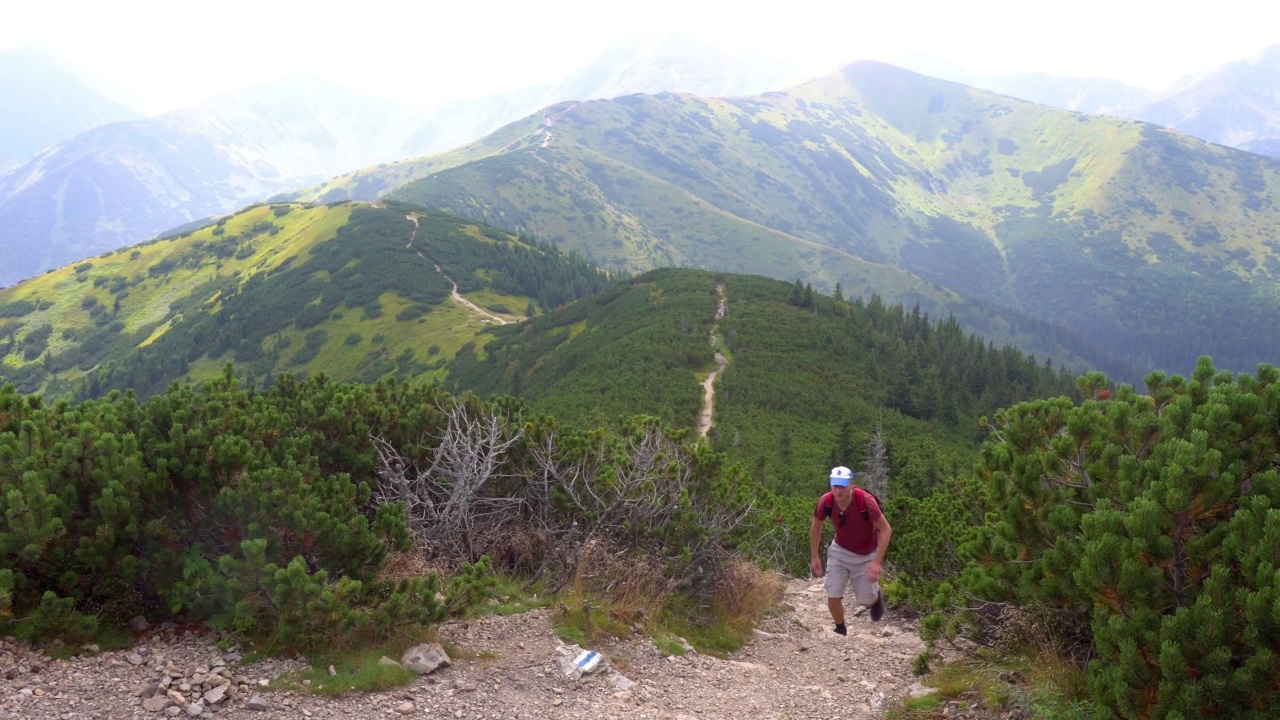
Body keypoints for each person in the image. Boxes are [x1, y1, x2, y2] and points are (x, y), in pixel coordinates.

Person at [809, 466, 891, 635]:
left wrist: (876, 563)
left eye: (842, 486)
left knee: (866, 600)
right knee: (833, 594)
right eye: (834, 486)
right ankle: (840, 628)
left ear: (852, 484)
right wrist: (814, 556)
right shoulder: (826, 502)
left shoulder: (866, 502)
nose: (838, 491)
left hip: (866, 554)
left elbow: (886, 529)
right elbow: (816, 526)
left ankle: (875, 599)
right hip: (840, 550)